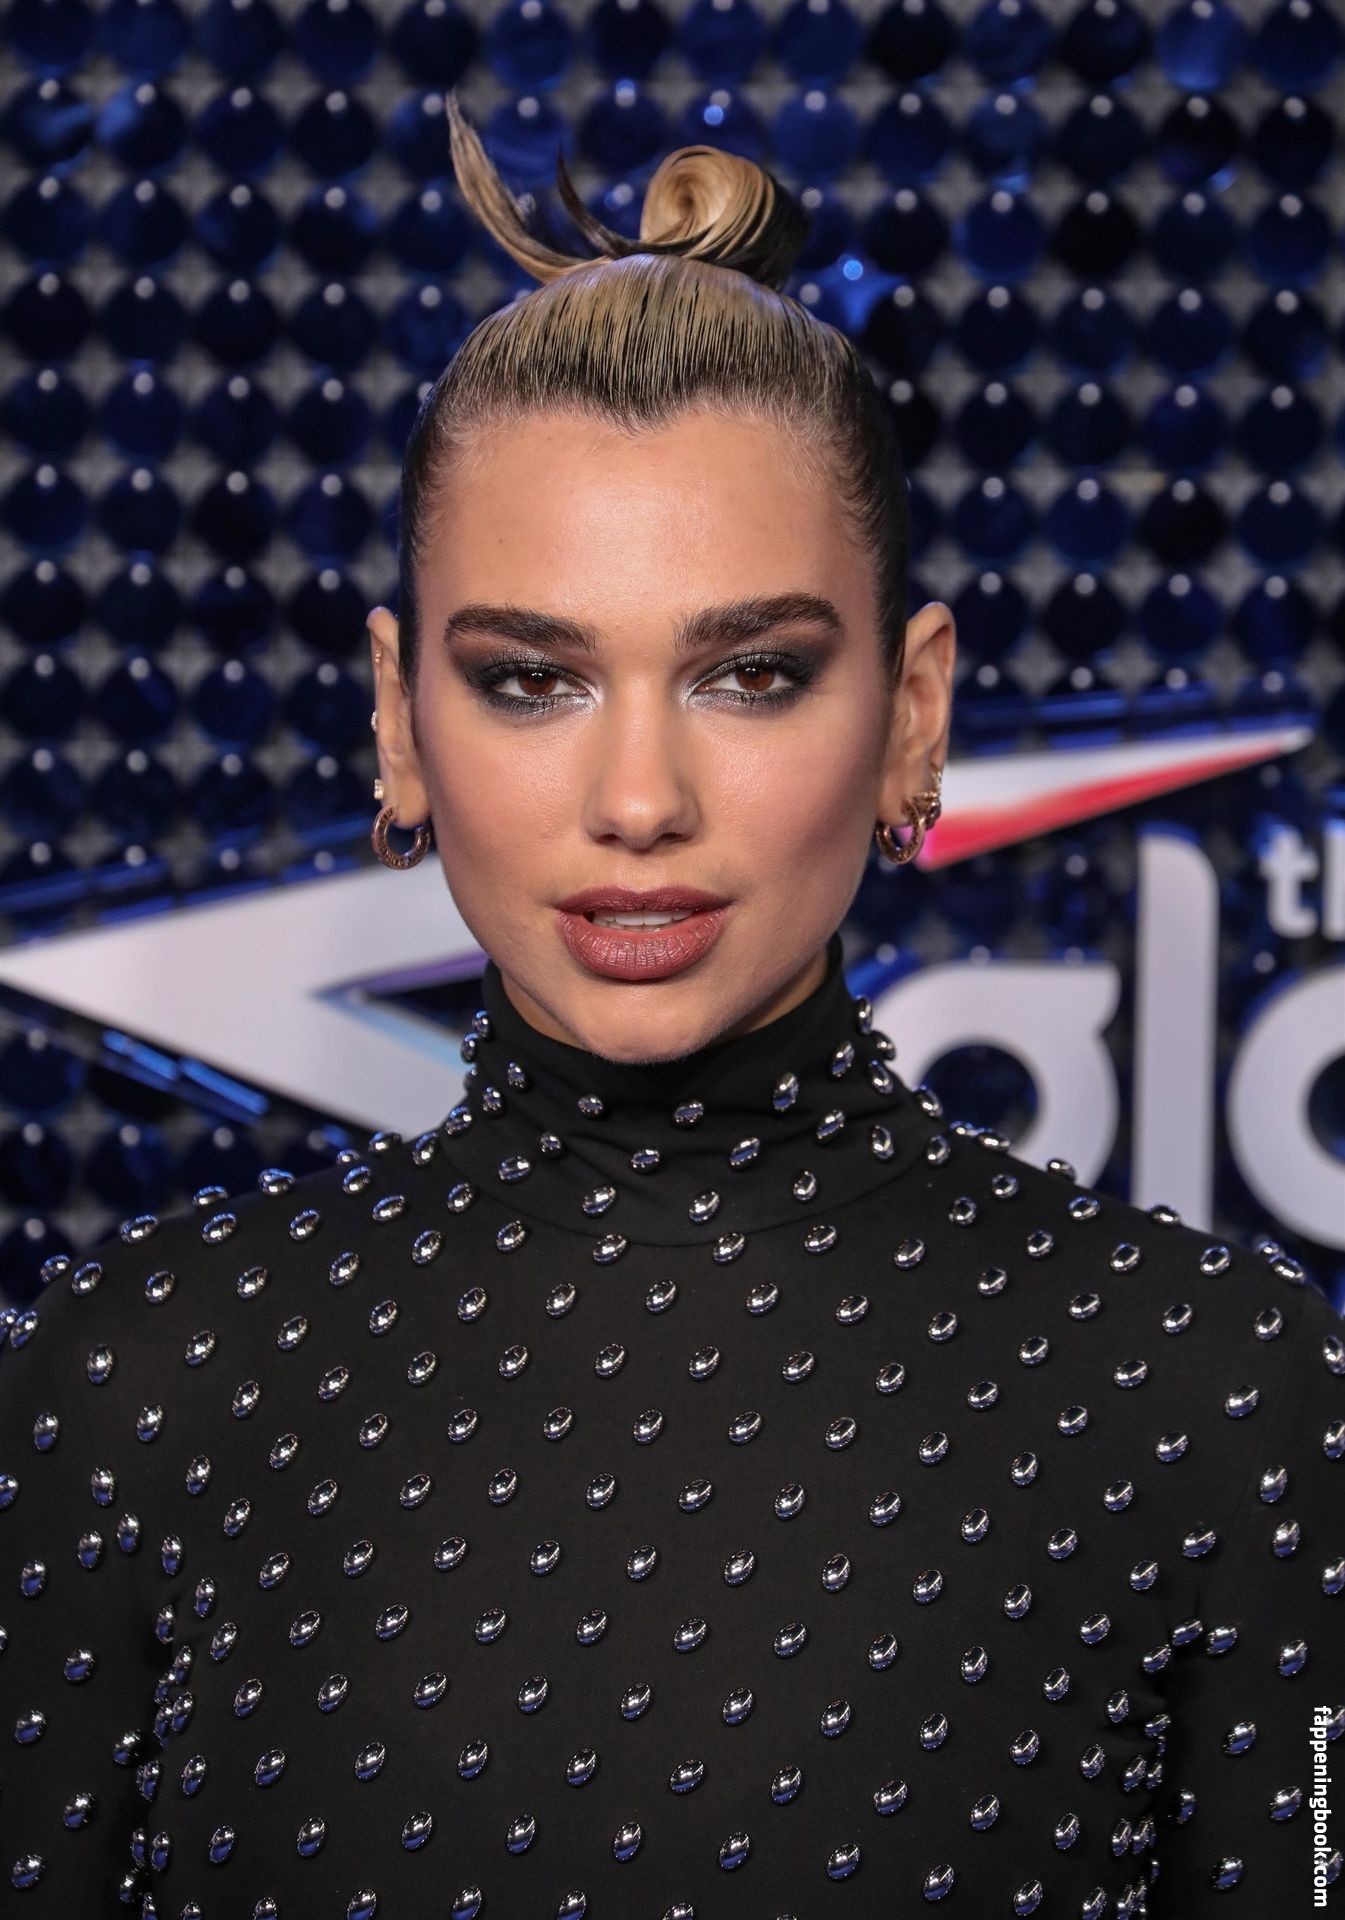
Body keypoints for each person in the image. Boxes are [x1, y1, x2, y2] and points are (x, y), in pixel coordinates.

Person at [1, 95, 1340, 1920]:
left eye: (751, 674)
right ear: (399, 716)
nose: (638, 802)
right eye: (530, 680)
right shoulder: (136, 1386)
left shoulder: (1217, 1393)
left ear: (915, 714)